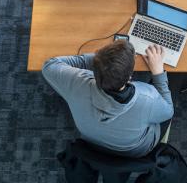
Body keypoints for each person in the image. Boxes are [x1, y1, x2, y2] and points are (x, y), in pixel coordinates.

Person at [42, 41, 173, 158]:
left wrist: (102, 62)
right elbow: (168, 112)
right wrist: (158, 73)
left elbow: (49, 66)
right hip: (135, 150)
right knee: (171, 84)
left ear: (94, 69)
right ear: (129, 78)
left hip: (92, 142)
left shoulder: (77, 82)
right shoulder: (147, 98)